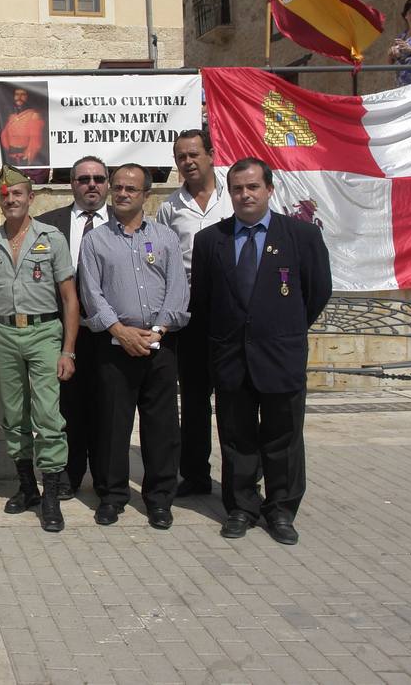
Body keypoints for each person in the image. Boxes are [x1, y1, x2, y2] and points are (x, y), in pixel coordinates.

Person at [189, 158, 332, 545]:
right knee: (237, 438)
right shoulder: (210, 240)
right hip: (232, 358)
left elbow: (317, 291)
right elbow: (203, 301)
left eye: (253, 187)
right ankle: (242, 507)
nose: (245, 195)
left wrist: (281, 328)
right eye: (237, 188)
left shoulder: (301, 236)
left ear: (269, 189)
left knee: (284, 438)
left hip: (280, 356)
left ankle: (281, 510)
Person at [78, 163, 189, 529]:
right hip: (115, 345)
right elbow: (91, 292)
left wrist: (159, 329)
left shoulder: (165, 237)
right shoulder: (95, 240)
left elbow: (178, 287)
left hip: (159, 345)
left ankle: (159, 499)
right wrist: (119, 330)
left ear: (146, 195)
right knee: (112, 425)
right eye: (118, 187)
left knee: (162, 427)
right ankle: (112, 496)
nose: (123, 193)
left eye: (132, 188)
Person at [0, 167, 79, 531]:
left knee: (48, 415)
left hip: (44, 331)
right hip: (4, 334)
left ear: (31, 198)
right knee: (14, 415)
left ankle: (51, 495)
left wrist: (68, 351)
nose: (11, 200)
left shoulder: (51, 238)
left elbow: (70, 298)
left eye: (18, 193)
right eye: (5, 195)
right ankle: (27, 486)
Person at [155, 130, 232, 497]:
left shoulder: (233, 196)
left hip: (231, 312)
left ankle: (242, 477)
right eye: (181, 157)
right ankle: (196, 474)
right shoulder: (170, 208)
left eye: (194, 154)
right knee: (194, 399)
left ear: (211, 155)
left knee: (235, 398)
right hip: (190, 315)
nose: (188, 162)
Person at [35, 155, 110, 500]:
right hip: (63, 331)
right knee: (67, 407)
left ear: (107, 183)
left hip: (111, 333)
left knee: (107, 408)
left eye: (98, 178)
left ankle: (107, 479)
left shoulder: (123, 221)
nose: (91, 185)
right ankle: (68, 474)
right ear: (72, 184)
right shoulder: (47, 225)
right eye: (83, 179)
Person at [0, 87, 48, 168]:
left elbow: (35, 142)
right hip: (10, 157)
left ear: (28, 97)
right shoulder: (12, 116)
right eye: (17, 94)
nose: (19, 97)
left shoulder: (34, 115)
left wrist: (27, 159)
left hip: (24, 158)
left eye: (23, 94)